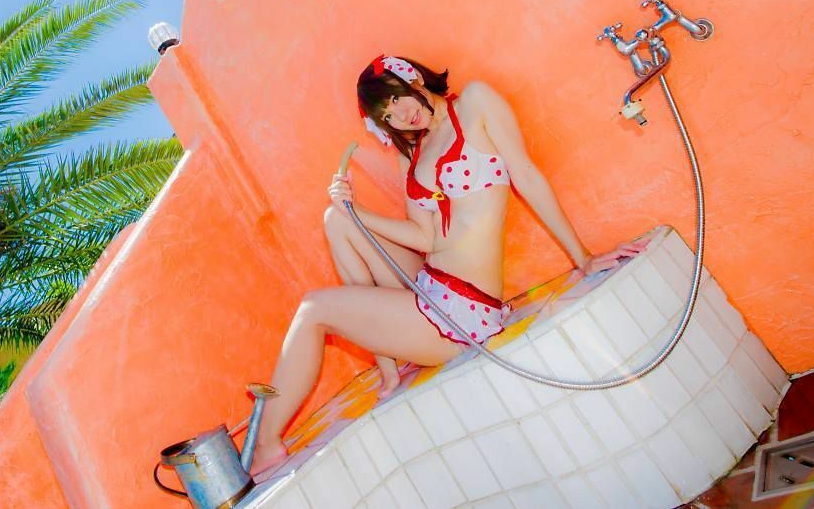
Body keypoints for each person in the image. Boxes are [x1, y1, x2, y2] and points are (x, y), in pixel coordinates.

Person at [248, 54, 648, 480]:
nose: (401, 115)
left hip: (460, 312)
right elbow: (427, 239)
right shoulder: (412, 153)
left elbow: (527, 176)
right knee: (337, 219)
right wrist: (354, 210)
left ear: (413, 77)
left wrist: (583, 257)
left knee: (313, 309)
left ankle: (266, 446)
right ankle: (388, 367)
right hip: (430, 285)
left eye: (397, 98)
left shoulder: (475, 103)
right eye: (388, 116)